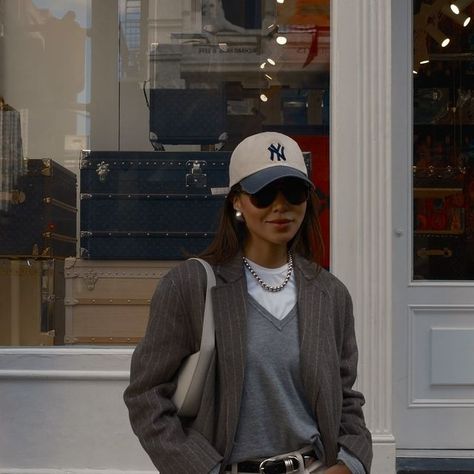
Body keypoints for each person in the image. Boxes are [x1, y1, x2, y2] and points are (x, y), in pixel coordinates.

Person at [123, 132, 373, 474]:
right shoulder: (190, 286)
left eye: (294, 192)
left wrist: (350, 464)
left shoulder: (330, 295)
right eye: (264, 194)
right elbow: (147, 396)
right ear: (237, 201)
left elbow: (345, 397)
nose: (280, 206)